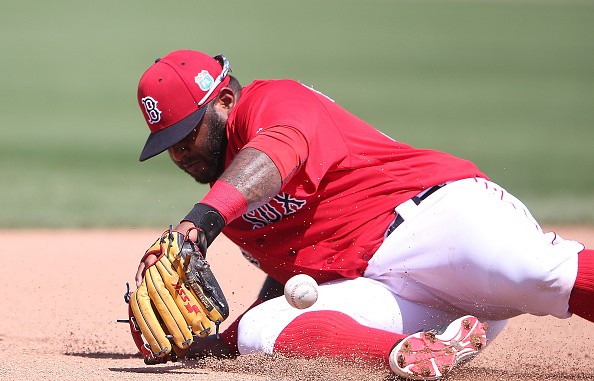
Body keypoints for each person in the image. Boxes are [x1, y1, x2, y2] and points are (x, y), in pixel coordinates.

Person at [133, 49, 594, 380]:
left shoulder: (274, 101)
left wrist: (200, 224)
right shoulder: (228, 197)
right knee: (260, 330)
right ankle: (411, 355)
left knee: (539, 274)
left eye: (186, 137)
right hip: (402, 296)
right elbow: (294, 272)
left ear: (225, 102)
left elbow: (278, 151)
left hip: (438, 219)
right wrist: (221, 343)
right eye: (168, 146)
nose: (179, 155)